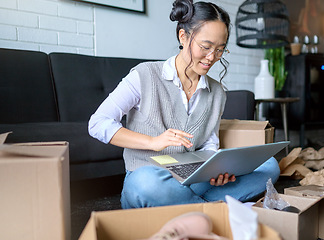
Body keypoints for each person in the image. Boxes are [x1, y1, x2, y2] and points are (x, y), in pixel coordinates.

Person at [88, 0, 280, 209]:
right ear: (183, 36)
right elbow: (98, 123)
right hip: (153, 179)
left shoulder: (217, 92)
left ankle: (198, 210)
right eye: (206, 47)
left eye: (220, 50)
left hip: (195, 180)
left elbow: (209, 144)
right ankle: (217, 209)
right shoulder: (144, 75)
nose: (212, 57)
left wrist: (217, 170)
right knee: (144, 184)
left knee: (269, 166)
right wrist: (153, 142)